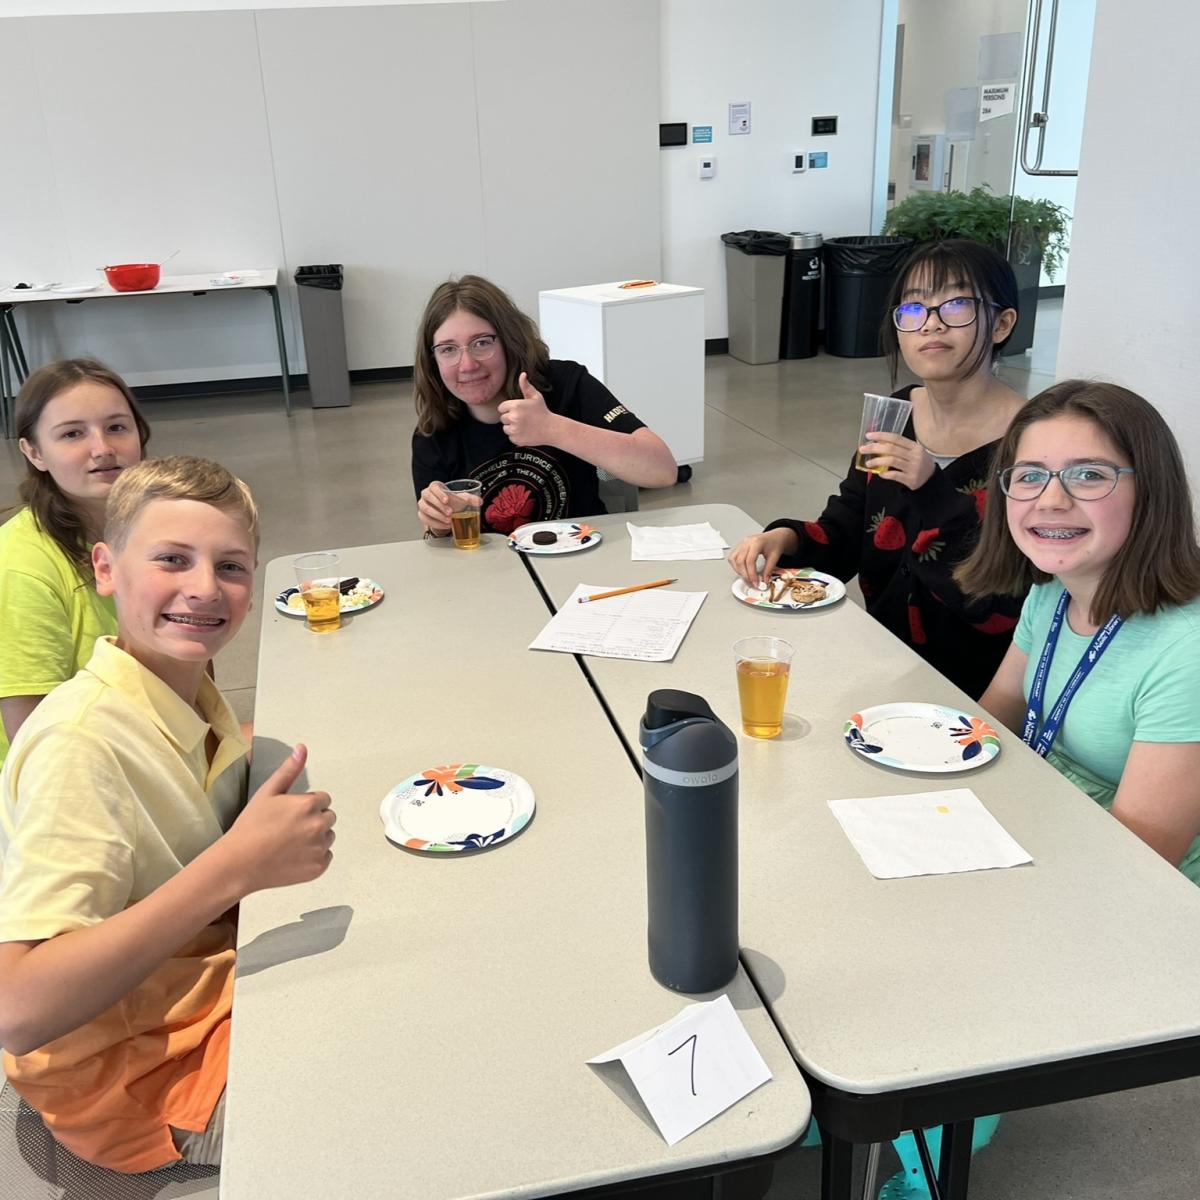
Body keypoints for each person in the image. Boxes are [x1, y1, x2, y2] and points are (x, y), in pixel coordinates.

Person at [0, 456, 336, 1172]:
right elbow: (18, 1008)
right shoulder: (79, 746)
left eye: (232, 567)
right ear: (106, 568)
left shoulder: (180, 687)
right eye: (173, 560)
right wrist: (234, 869)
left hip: (196, 993)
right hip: (142, 1078)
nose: (204, 589)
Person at [728, 239, 1027, 699]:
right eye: (913, 309)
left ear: (1002, 323)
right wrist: (786, 539)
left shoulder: (1034, 443)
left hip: (981, 688)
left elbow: (1005, 598)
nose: (931, 322)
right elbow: (849, 527)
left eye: (957, 304)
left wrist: (932, 490)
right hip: (883, 663)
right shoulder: (897, 412)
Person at [958, 379, 1200, 879]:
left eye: (1088, 475)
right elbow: (989, 725)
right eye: (1029, 476)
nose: (1049, 500)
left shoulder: (1187, 651)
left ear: (1150, 491)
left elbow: (1135, 871)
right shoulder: (1053, 590)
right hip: (1046, 831)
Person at [411, 274, 677, 535]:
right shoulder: (433, 432)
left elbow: (662, 471)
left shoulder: (566, 384)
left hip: (584, 559)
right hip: (495, 572)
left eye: (482, 343)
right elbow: (440, 541)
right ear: (432, 360)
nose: (467, 365)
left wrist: (554, 429)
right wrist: (438, 522)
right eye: (448, 349)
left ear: (509, 341)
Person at [0, 358, 150, 768]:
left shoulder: (149, 527)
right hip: (63, 784)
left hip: (138, 742)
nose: (102, 449)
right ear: (34, 452)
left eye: (117, 427)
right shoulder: (22, 564)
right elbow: (33, 739)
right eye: (72, 434)